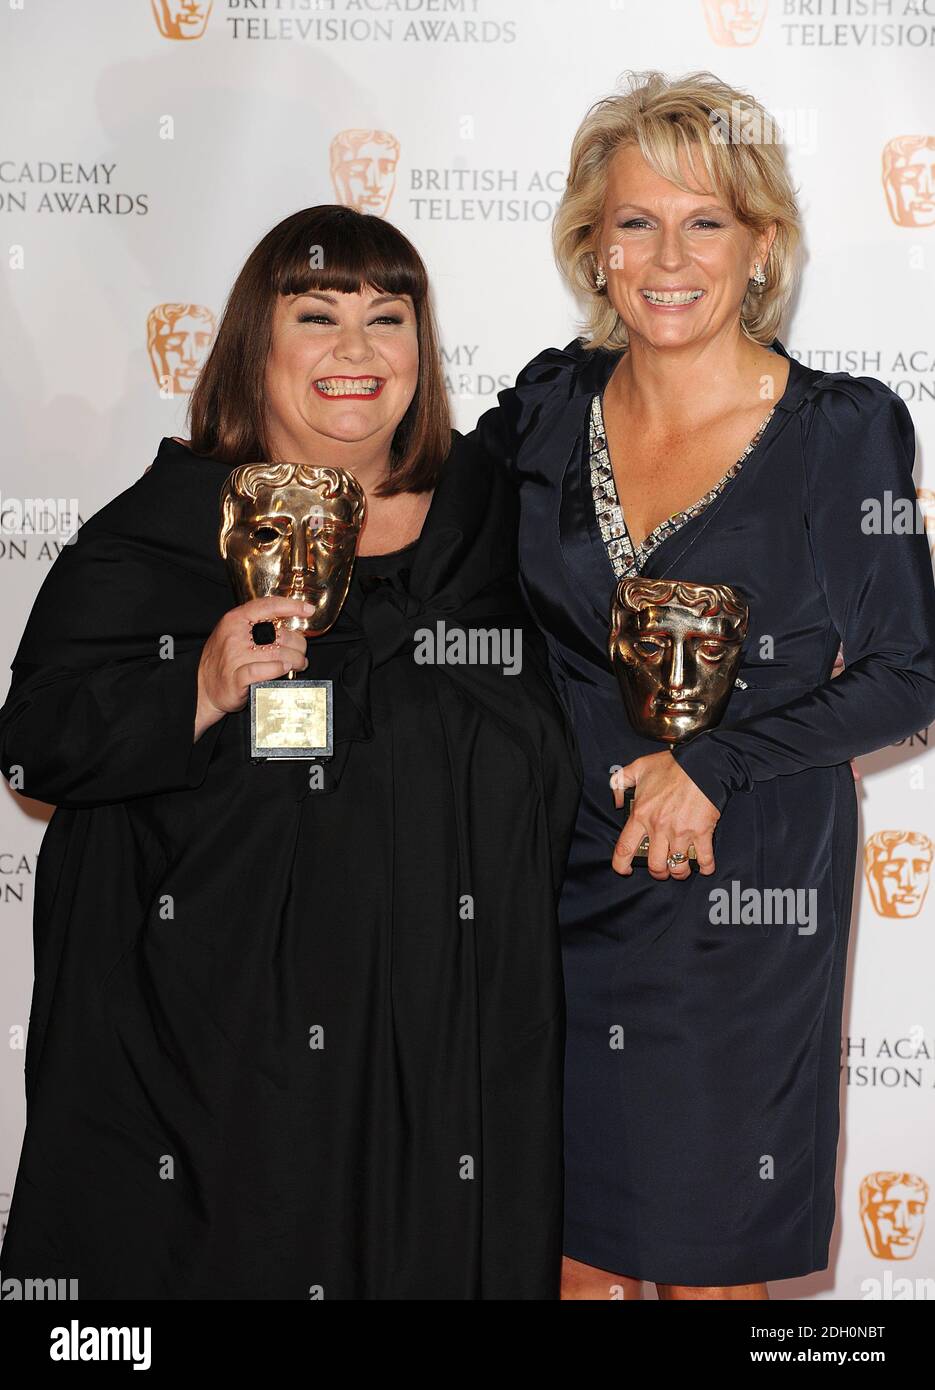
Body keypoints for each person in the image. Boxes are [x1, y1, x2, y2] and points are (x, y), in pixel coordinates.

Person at [0, 205, 581, 1300]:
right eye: (315, 315)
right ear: (252, 346)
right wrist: (200, 686)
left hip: (447, 1048)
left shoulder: (493, 525)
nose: (356, 352)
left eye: (386, 317)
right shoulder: (163, 533)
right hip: (225, 1065)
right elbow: (37, 748)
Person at [469, 70, 935, 1300]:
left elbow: (909, 672)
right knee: (555, 1253)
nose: (666, 255)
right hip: (551, 885)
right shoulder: (543, 403)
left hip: (741, 900)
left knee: (705, 1261)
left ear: (761, 243)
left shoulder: (843, 430)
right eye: (634, 222)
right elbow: (427, 548)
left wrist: (713, 763)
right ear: (591, 245)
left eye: (704, 221)